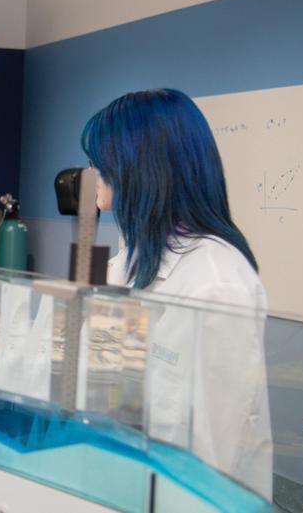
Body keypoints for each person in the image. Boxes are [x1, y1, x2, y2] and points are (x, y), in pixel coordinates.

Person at [81, 88, 272, 499]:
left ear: (139, 165)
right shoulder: (132, 261)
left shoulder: (217, 283)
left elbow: (211, 455)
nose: (92, 168)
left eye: (102, 159)